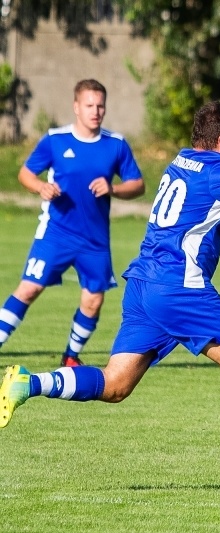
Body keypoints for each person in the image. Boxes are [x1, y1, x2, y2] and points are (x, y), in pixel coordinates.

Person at [0, 100, 220, 488]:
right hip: (180, 288)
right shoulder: (218, 169)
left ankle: (29, 383)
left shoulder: (182, 161)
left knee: (115, 385)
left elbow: (212, 211)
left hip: (143, 284)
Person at [0, 79, 146, 367]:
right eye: (89, 105)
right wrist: (40, 187)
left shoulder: (115, 144)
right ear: (76, 107)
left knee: (93, 301)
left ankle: (70, 356)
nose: (96, 111)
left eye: (100, 106)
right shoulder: (55, 140)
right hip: (56, 233)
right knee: (29, 289)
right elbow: (26, 174)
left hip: (94, 239)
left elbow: (138, 185)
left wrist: (113, 188)